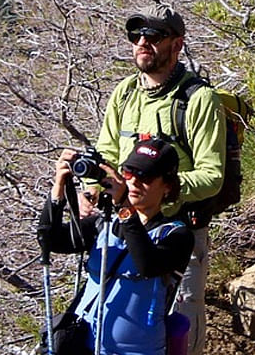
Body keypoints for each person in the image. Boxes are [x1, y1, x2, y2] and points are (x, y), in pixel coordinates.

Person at [94, 9, 226, 355]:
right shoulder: (124, 93)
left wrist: (159, 188)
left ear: (177, 44)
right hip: (123, 230)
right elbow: (106, 151)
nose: (142, 43)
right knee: (120, 328)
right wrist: (95, 188)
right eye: (137, 37)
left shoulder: (198, 100)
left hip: (177, 235)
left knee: (178, 333)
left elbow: (212, 175)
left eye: (153, 37)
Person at [40, 137, 194, 355]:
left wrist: (124, 207)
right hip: (82, 345)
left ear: (167, 186)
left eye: (146, 177)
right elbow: (51, 240)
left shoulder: (177, 235)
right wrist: (58, 190)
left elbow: (147, 265)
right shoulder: (103, 225)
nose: (134, 182)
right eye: (129, 173)